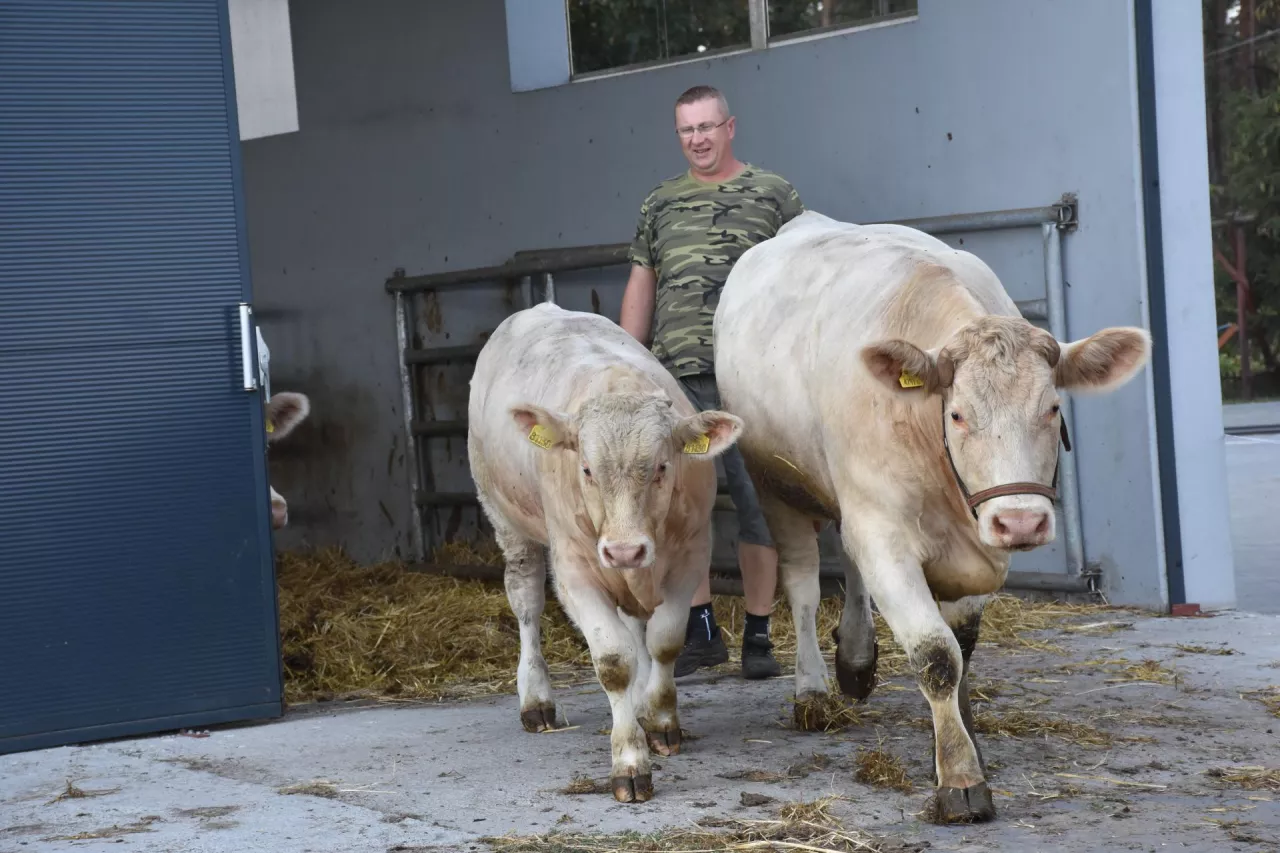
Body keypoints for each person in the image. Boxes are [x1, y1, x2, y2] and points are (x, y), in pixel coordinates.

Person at [619, 84, 805, 680]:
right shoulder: (660, 202)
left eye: (707, 126)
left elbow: (803, 279)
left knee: (760, 506)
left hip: (752, 375)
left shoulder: (774, 194)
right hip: (676, 377)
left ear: (730, 126)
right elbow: (643, 281)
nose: (697, 139)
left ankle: (758, 634)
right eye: (686, 130)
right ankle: (698, 629)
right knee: (682, 505)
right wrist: (629, 362)